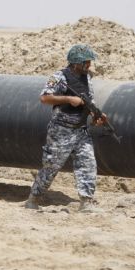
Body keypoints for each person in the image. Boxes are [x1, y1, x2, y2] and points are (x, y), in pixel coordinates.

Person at [26, 44, 107, 212]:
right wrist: (68, 99)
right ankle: (34, 198)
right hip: (61, 130)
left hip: (81, 130)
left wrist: (96, 116)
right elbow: (44, 98)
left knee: (88, 163)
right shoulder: (59, 77)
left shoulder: (87, 79)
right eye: (87, 62)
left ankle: (86, 201)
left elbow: (89, 103)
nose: (89, 66)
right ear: (77, 63)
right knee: (51, 166)